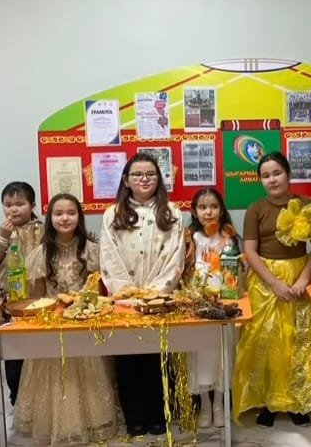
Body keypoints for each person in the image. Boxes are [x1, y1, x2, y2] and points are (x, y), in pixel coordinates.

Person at [232, 151, 311, 427]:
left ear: (288, 175)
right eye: (265, 176)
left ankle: (296, 402)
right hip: (265, 281)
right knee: (266, 342)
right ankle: (269, 402)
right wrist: (274, 283)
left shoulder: (305, 204)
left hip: (299, 276)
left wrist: (304, 278)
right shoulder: (255, 208)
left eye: (277, 173)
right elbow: (250, 251)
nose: (272, 179)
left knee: (298, 340)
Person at [14, 193, 118, 445]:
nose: (65, 218)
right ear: (50, 218)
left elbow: (98, 291)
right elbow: (38, 294)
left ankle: (91, 422)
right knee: (55, 376)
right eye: (59, 213)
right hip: (53, 324)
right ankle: (56, 425)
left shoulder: (92, 250)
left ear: (79, 217)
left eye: (71, 213)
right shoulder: (41, 253)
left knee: (86, 374)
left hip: (84, 322)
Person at [100, 153, 185, 436]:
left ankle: (159, 415)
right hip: (124, 298)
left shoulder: (171, 212)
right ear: (126, 180)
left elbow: (175, 256)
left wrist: (154, 295)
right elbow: (109, 257)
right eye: (137, 174)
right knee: (128, 358)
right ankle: (134, 416)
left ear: (159, 179)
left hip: (159, 298)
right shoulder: (112, 214)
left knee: (157, 358)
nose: (144, 179)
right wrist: (127, 293)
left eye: (150, 174)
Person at [182, 188, 239, 429]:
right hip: (199, 304)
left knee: (222, 355)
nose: (208, 212)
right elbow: (184, 270)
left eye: (214, 206)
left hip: (224, 303)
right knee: (200, 355)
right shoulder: (190, 237)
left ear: (221, 210)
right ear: (194, 211)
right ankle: (204, 404)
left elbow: (236, 271)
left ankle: (219, 404)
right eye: (203, 207)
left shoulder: (229, 236)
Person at [0, 181, 44, 405]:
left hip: (39, 300)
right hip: (9, 302)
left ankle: (40, 399)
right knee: (14, 354)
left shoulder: (43, 230)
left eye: (20, 204)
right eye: (8, 205)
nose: (13, 209)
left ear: (32, 205)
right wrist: (2, 236)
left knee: (40, 351)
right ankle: (16, 397)